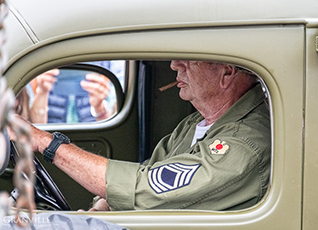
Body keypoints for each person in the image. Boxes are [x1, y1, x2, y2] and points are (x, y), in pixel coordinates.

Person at [12, 60, 271, 211]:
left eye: (190, 58)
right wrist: (98, 211)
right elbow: (150, 172)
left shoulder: (241, 143)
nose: (174, 65)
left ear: (226, 73)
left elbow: (145, 190)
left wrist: (47, 142)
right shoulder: (197, 123)